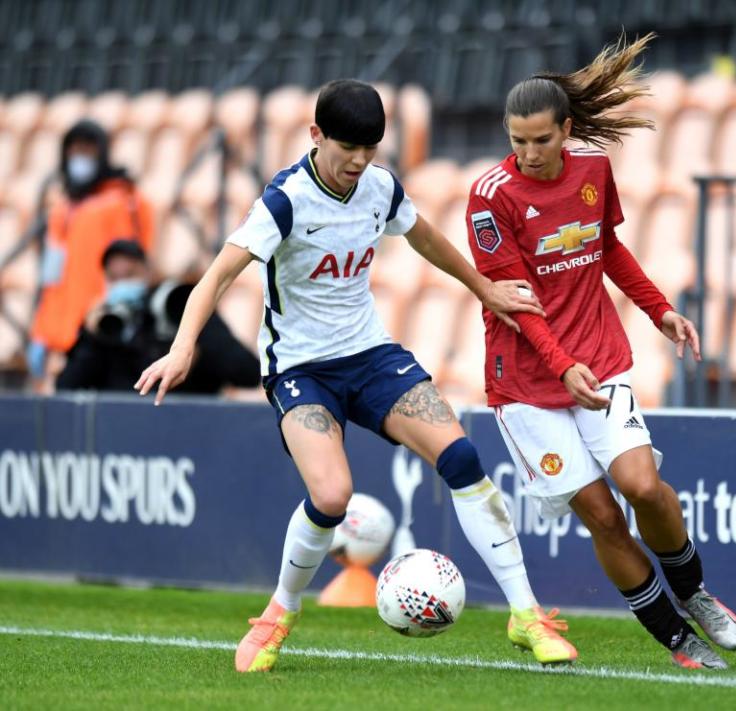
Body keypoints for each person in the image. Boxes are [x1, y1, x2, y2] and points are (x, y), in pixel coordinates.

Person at [135, 80, 578, 672]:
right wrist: (183, 346)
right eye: (349, 148)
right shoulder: (285, 201)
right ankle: (278, 614)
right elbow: (214, 277)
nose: (360, 161)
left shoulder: (378, 186)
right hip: (300, 368)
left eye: (371, 148)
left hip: (369, 355)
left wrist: (484, 287)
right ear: (316, 136)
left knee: (463, 459)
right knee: (332, 495)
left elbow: (421, 235)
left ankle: (527, 616)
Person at [466, 35, 736, 671]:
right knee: (601, 515)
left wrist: (661, 309)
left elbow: (608, 249)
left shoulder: (593, 170)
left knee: (642, 486)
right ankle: (678, 641)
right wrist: (562, 366)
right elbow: (515, 302)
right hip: (526, 384)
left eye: (541, 139)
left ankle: (694, 593)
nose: (530, 153)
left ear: (566, 129)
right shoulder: (489, 197)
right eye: (518, 141)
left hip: (600, 355)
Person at [30, 119, 154, 389]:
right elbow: (52, 279)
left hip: (105, 332)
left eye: (87, 150)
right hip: (67, 342)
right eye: (74, 151)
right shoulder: (62, 210)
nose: (80, 159)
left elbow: (132, 265)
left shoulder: (124, 202)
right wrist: (41, 333)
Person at [56, 239, 260, 393]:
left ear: (148, 272)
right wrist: (94, 336)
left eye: (130, 274)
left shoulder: (178, 308)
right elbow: (66, 388)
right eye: (113, 278)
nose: (122, 284)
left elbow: (247, 373)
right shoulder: (105, 323)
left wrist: (192, 349)